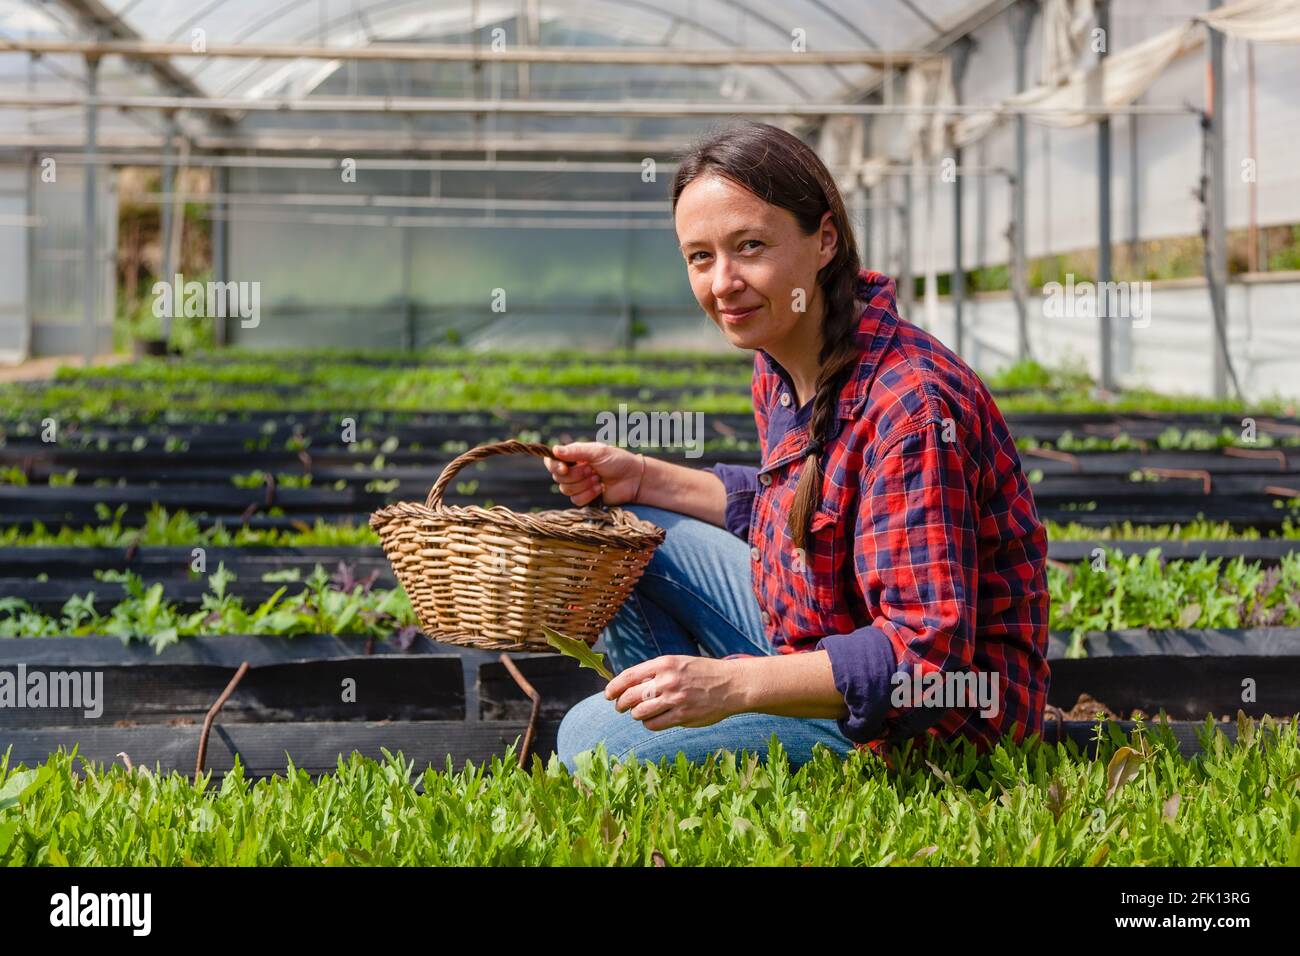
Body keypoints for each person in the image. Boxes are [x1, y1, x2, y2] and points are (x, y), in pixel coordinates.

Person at [546, 121, 1050, 774]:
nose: (723, 281)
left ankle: (675, 740)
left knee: (589, 741)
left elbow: (924, 657)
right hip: (818, 634)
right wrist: (639, 477)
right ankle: (673, 728)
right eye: (700, 257)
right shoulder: (784, 358)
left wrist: (731, 686)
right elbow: (795, 505)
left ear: (825, 239)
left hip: (925, 725)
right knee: (628, 535)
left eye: (749, 246)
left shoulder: (910, 406)